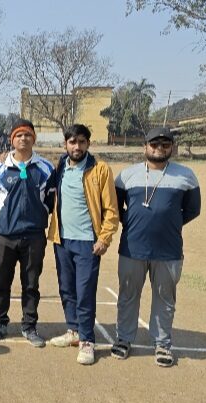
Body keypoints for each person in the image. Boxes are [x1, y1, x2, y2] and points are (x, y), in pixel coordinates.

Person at [111, 127, 201, 367]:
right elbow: (115, 207)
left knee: (164, 297)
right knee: (128, 295)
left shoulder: (186, 176)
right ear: (145, 146)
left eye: (165, 144)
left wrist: (169, 223)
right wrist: (133, 222)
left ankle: (162, 343)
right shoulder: (126, 176)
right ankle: (124, 338)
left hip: (168, 250)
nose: (159, 148)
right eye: (154, 144)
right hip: (132, 248)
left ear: (172, 147)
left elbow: (193, 210)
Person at [47, 124, 119, 365]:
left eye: (81, 142)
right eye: (72, 142)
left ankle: (87, 340)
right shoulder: (60, 166)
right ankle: (74, 331)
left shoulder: (100, 169)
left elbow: (111, 209)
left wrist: (104, 238)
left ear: (88, 144)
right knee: (67, 289)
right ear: (65, 144)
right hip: (62, 240)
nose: (76, 146)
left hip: (88, 242)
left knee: (85, 291)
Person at [0, 119, 55, 346]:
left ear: (34, 138)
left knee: (31, 284)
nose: (23, 139)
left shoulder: (46, 168)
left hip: (33, 236)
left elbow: (50, 201)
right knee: (1, 282)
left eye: (27, 135)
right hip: (5, 235)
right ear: (11, 140)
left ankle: (29, 326)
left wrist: (34, 216)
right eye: (18, 135)